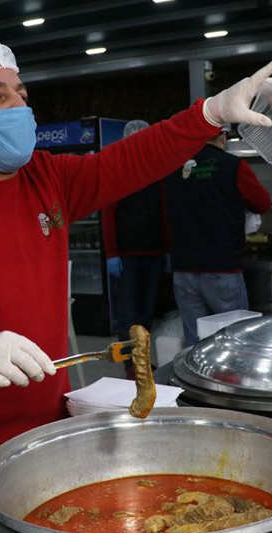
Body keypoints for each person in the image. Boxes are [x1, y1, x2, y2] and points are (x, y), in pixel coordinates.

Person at [0, 41, 272, 502]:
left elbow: (132, 159)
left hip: (43, 434)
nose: (19, 106)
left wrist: (211, 112)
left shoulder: (48, 179)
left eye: (21, 94)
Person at [164, 125, 272, 346]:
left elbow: (164, 213)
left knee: (195, 343)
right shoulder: (233, 166)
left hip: (183, 269)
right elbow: (262, 203)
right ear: (223, 136)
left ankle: (196, 380)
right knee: (234, 340)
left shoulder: (174, 169)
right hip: (222, 269)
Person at [101, 120, 168, 379]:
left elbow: (162, 210)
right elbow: (108, 213)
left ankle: (142, 360)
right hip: (126, 255)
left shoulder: (157, 167)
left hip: (152, 252)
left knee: (146, 312)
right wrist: (112, 253)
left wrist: (166, 248)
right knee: (129, 313)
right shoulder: (117, 167)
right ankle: (131, 366)